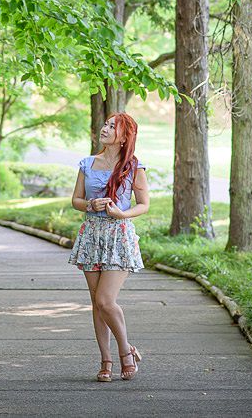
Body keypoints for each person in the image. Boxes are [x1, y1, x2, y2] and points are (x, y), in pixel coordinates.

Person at [68, 112, 150, 382]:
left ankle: (126, 351)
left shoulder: (134, 166)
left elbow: (143, 204)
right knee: (96, 303)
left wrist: (121, 214)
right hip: (91, 234)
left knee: (105, 300)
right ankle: (106, 360)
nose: (105, 128)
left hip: (119, 237)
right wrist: (90, 205)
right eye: (105, 124)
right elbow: (76, 200)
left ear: (125, 136)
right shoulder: (88, 163)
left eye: (112, 126)